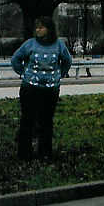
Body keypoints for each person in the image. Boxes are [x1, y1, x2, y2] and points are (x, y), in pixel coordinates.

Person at [11, 16, 72, 160]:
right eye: (36, 27)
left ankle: (45, 153)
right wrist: (24, 73)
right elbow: (15, 59)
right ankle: (24, 154)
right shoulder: (29, 44)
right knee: (27, 120)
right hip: (30, 89)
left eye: (41, 27)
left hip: (50, 91)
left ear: (49, 29)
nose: (38, 29)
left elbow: (67, 61)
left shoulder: (59, 45)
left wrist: (59, 76)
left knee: (46, 121)